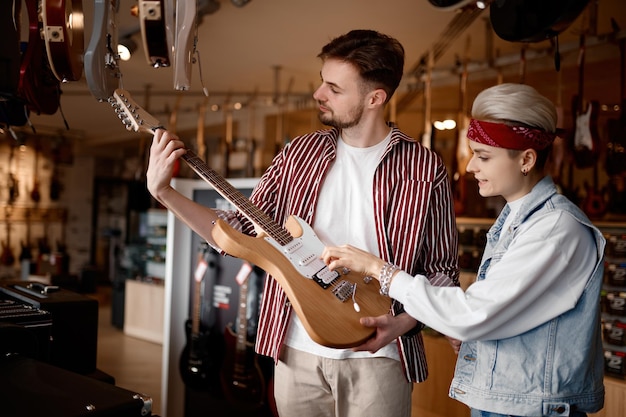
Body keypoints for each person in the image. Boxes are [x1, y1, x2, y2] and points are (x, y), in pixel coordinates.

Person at [146, 29, 459, 417]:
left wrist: (406, 322)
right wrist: (165, 193)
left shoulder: (425, 168)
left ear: (375, 98)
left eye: (334, 88)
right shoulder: (299, 154)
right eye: (321, 82)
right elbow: (236, 230)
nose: (319, 94)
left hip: (381, 357)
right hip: (295, 349)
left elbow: (443, 270)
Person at [323, 83, 606, 417]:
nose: (471, 166)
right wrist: (471, 335)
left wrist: (379, 269)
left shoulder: (556, 229)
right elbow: (495, 314)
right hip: (506, 402)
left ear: (527, 159)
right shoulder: (517, 220)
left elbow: (474, 314)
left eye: (484, 156)